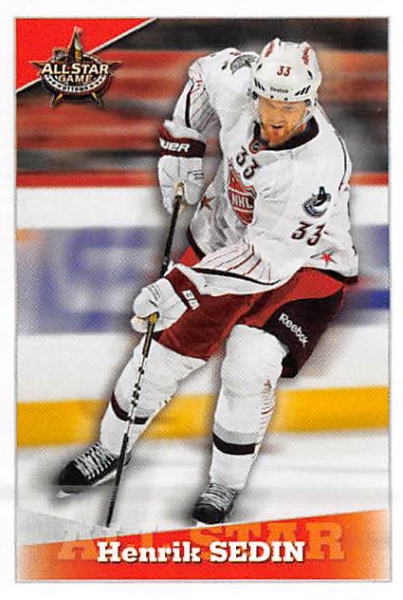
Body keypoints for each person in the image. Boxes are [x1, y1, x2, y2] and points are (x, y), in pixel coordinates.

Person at [57, 38, 358, 525]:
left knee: (248, 365)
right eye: (268, 102)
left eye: (290, 107)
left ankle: (224, 484)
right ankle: (109, 449)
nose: (276, 118)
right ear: (254, 91)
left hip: (305, 267)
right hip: (222, 240)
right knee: (159, 358)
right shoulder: (238, 83)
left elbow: (268, 259)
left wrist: (181, 286)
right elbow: (203, 72)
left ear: (311, 100)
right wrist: (184, 143)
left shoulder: (317, 169)